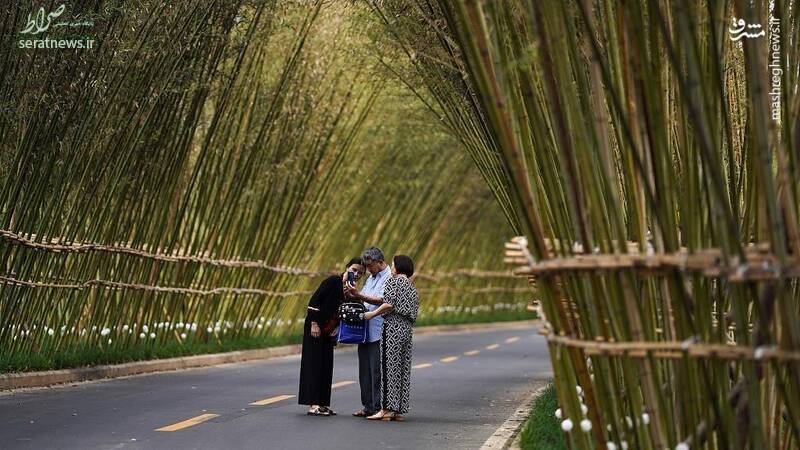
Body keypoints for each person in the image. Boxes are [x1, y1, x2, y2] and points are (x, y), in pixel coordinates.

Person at [298, 257, 365, 416]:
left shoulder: (351, 290)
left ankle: (322, 404)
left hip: (329, 332)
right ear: (347, 267)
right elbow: (314, 301)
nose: (355, 274)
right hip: (316, 328)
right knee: (313, 366)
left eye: (360, 273)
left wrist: (339, 327)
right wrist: (314, 323)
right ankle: (313, 404)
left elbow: (353, 311)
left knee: (326, 367)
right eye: (353, 270)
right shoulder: (333, 281)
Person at [364, 255, 419, 421]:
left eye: (393, 264)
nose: (392, 267)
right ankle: (399, 410)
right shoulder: (411, 286)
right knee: (402, 369)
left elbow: (389, 304)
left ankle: (387, 409)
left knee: (389, 369)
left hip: (393, 328)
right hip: (407, 330)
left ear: (397, 267)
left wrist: (372, 314)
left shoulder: (393, 281)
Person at [344, 246, 391, 417]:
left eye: (371, 266)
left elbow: (382, 300)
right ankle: (368, 406)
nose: (368, 270)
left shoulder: (389, 277)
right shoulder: (372, 278)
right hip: (364, 330)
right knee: (364, 371)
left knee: (376, 372)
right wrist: (353, 294)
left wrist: (360, 296)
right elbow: (363, 297)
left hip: (379, 330)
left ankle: (378, 407)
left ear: (380, 262)